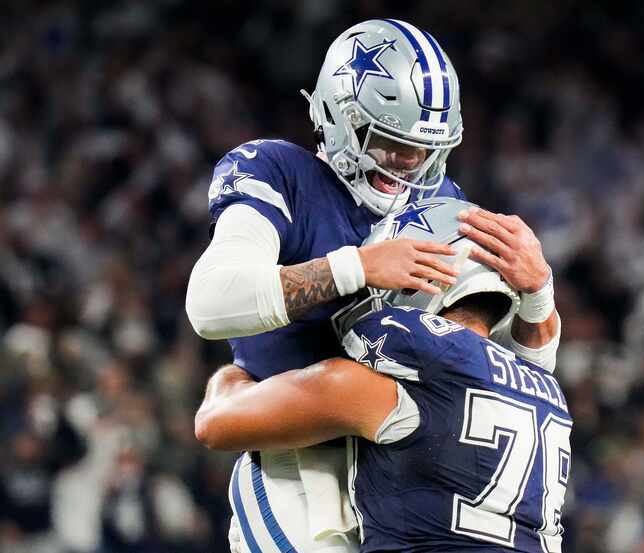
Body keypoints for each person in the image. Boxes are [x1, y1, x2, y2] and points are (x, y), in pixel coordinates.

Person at [185, 19, 561, 552]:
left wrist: (539, 294)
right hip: (304, 463)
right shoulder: (279, 172)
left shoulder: (443, 202)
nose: (409, 162)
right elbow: (210, 303)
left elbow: (512, 388)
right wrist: (356, 268)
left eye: (422, 148)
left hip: (409, 472)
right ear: (341, 117)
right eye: (390, 142)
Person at [194, 198, 572, 552]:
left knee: (262, 472)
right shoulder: (546, 390)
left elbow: (214, 423)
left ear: (420, 282)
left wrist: (237, 370)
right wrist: (540, 292)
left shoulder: (387, 390)